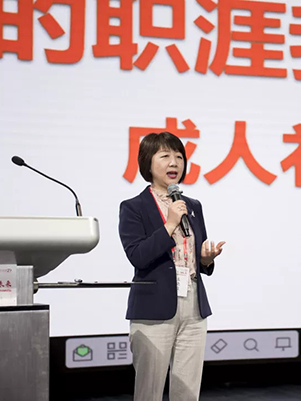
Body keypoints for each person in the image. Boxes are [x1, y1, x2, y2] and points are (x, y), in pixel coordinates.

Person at [118, 131, 225, 401]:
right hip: (154, 307)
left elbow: (193, 255)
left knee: (188, 391)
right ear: (148, 162)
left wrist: (205, 259)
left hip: (193, 305)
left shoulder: (192, 205)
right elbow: (138, 256)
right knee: (149, 391)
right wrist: (169, 224)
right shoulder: (133, 207)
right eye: (165, 156)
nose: (174, 163)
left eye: (179, 156)